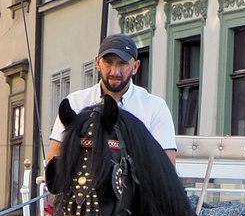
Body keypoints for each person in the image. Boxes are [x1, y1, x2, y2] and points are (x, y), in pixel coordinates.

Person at [48, 34, 177, 164]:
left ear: (135, 66)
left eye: (122, 64)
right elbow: (54, 158)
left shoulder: (155, 108)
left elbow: (166, 166)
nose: (115, 72)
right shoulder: (75, 102)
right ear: (98, 63)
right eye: (108, 62)